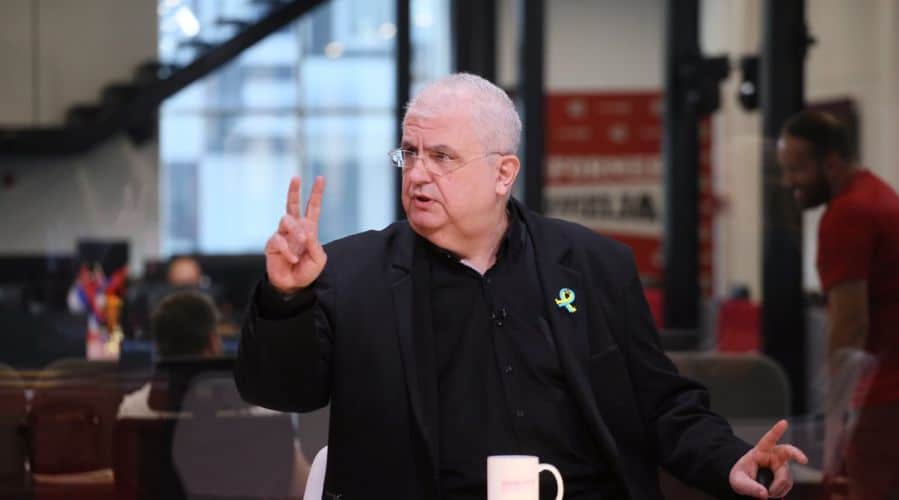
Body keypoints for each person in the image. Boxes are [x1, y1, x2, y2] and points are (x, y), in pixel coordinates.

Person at [236, 73, 806, 500]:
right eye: (409, 154)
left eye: (441, 157)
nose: (417, 174)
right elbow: (284, 392)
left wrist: (728, 459)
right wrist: (287, 299)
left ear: (503, 173)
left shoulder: (592, 265)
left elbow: (659, 403)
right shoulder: (351, 272)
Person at [778, 109, 899, 499]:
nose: (789, 181)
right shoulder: (879, 194)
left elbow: (849, 327)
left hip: (882, 397)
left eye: (797, 169)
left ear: (831, 163)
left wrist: (833, 426)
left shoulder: (847, 214)